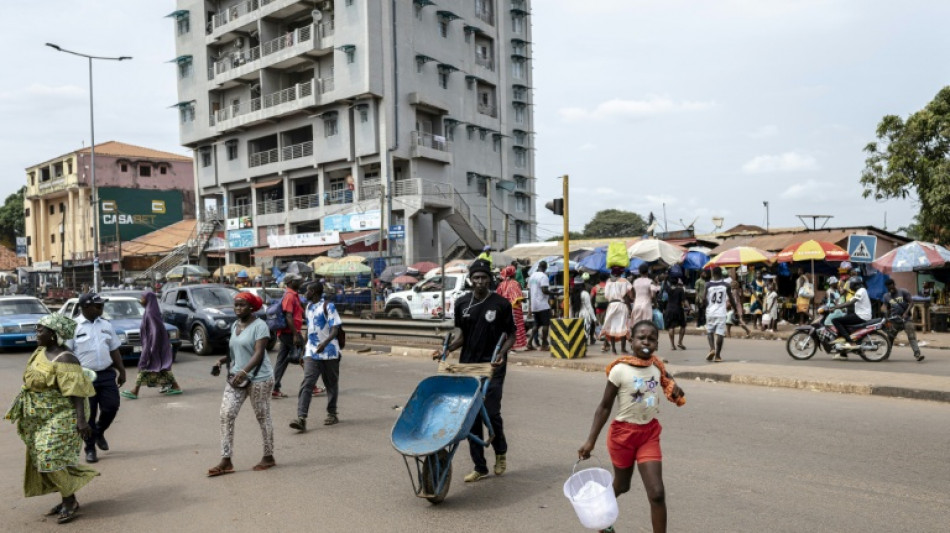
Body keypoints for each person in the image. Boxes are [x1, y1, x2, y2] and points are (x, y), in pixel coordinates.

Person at [578, 320, 686, 533]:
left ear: (657, 342)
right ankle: (602, 520)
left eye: (651, 338)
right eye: (641, 337)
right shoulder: (619, 369)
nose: (646, 342)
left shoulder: (657, 366)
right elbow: (604, 407)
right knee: (622, 486)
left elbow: (668, 380)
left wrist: (676, 389)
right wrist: (590, 441)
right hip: (622, 436)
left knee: (657, 493)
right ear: (631, 340)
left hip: (649, 434)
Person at [4, 314, 97, 524]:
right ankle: (68, 498)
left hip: (65, 413)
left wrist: (81, 421)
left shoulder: (66, 358)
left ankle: (69, 500)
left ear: (53, 335)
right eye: (37, 329)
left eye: (40, 330)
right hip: (41, 414)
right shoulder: (40, 351)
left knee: (49, 455)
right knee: (43, 456)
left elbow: (76, 392)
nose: (36, 334)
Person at [432, 259, 515, 482]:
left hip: (492, 366)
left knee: (491, 411)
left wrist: (501, 353)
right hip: (468, 365)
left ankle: (500, 452)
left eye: (484, 278)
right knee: (470, 415)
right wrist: (446, 349)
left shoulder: (500, 304)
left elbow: (511, 335)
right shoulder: (462, 303)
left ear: (490, 279)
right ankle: (480, 466)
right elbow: (463, 337)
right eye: (476, 278)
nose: (479, 282)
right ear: (471, 280)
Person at [208, 292, 275, 476]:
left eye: (242, 305)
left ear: (252, 307)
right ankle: (226, 460)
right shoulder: (235, 325)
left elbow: (258, 353)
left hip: (259, 378)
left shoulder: (260, 326)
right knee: (226, 414)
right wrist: (221, 362)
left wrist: (245, 371)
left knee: (263, 417)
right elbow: (235, 351)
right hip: (237, 377)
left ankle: (268, 456)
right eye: (236, 305)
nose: (238, 308)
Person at [66, 293, 125, 464]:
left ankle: (99, 432)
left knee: (111, 407)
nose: (101, 309)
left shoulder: (106, 325)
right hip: (84, 377)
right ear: (85, 307)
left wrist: (122, 370)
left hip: (106, 373)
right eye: (97, 306)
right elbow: (67, 354)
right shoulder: (72, 327)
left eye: (102, 306)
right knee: (88, 414)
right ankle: (90, 448)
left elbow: (114, 349)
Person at [290, 282, 343, 432]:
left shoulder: (328, 306)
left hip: (330, 352)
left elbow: (335, 328)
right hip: (312, 352)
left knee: (331, 384)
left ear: (313, 292)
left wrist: (325, 343)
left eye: (306, 291)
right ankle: (301, 418)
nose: (304, 294)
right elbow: (310, 330)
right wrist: (304, 350)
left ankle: (332, 413)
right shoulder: (308, 307)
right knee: (307, 382)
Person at [121, 291, 182, 399]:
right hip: (153, 345)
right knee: (161, 367)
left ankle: (135, 391)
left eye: (143, 297)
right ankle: (175, 386)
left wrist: (152, 347)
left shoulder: (150, 312)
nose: (141, 300)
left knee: (144, 366)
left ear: (148, 299)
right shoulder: (150, 311)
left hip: (153, 345)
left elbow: (156, 331)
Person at [272, 274, 305, 399]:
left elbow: (299, 312)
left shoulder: (294, 295)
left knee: (281, 361)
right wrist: (295, 334)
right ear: (291, 282)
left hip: (286, 333)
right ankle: (310, 385)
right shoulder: (289, 296)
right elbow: (288, 316)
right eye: (298, 281)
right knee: (305, 356)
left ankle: (274, 388)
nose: (300, 282)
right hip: (290, 333)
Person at [822, 279, 872, 359]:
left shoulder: (861, 290)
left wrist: (836, 307)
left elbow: (850, 303)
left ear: (856, 286)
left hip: (861, 315)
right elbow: (848, 302)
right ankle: (843, 353)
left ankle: (851, 342)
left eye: (853, 287)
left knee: (835, 320)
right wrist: (837, 307)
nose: (852, 289)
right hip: (860, 314)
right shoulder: (859, 291)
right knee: (843, 324)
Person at [883, 279, 924, 361]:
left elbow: (911, 302)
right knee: (890, 338)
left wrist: (906, 312)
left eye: (892, 286)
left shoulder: (903, 291)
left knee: (911, 336)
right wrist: (886, 318)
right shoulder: (886, 296)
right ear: (887, 288)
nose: (891, 289)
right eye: (889, 288)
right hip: (894, 320)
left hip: (906, 319)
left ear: (894, 284)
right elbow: (886, 308)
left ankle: (917, 354)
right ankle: (885, 355)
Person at [705, 268, 738, 362]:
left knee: (710, 331)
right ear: (721, 274)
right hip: (721, 312)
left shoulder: (708, 285)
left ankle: (712, 349)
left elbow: (703, 299)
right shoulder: (726, 285)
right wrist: (735, 310)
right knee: (720, 333)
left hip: (710, 312)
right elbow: (731, 299)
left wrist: (708, 306)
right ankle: (718, 356)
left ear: (713, 273)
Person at [601, 266, 633, 354]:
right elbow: (629, 294)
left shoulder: (608, 282)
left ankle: (613, 349)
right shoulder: (624, 281)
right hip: (621, 305)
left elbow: (606, 295)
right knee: (622, 326)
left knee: (612, 327)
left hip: (611, 305)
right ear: (620, 273)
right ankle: (623, 349)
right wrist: (630, 306)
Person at [495, 265, 528, 351]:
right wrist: (523, 299)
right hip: (514, 309)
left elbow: (498, 296)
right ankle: (513, 347)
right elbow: (517, 298)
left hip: (503, 309)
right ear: (513, 274)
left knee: (505, 327)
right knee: (514, 328)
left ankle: (505, 346)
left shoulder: (501, 284)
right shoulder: (515, 283)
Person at [527, 261, 551, 351]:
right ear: (545, 268)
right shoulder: (543, 276)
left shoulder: (532, 276)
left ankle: (529, 343)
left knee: (536, 324)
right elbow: (544, 290)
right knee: (545, 324)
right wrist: (554, 293)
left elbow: (529, 292)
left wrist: (530, 306)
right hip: (543, 304)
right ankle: (544, 344)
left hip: (534, 305)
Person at [664, 278, 688, 351]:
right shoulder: (680, 290)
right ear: (677, 282)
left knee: (671, 327)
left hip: (669, 309)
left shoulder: (668, 289)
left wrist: (665, 279)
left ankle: (672, 345)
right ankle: (680, 342)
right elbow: (684, 300)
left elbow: (665, 285)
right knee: (683, 325)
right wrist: (689, 307)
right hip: (678, 309)